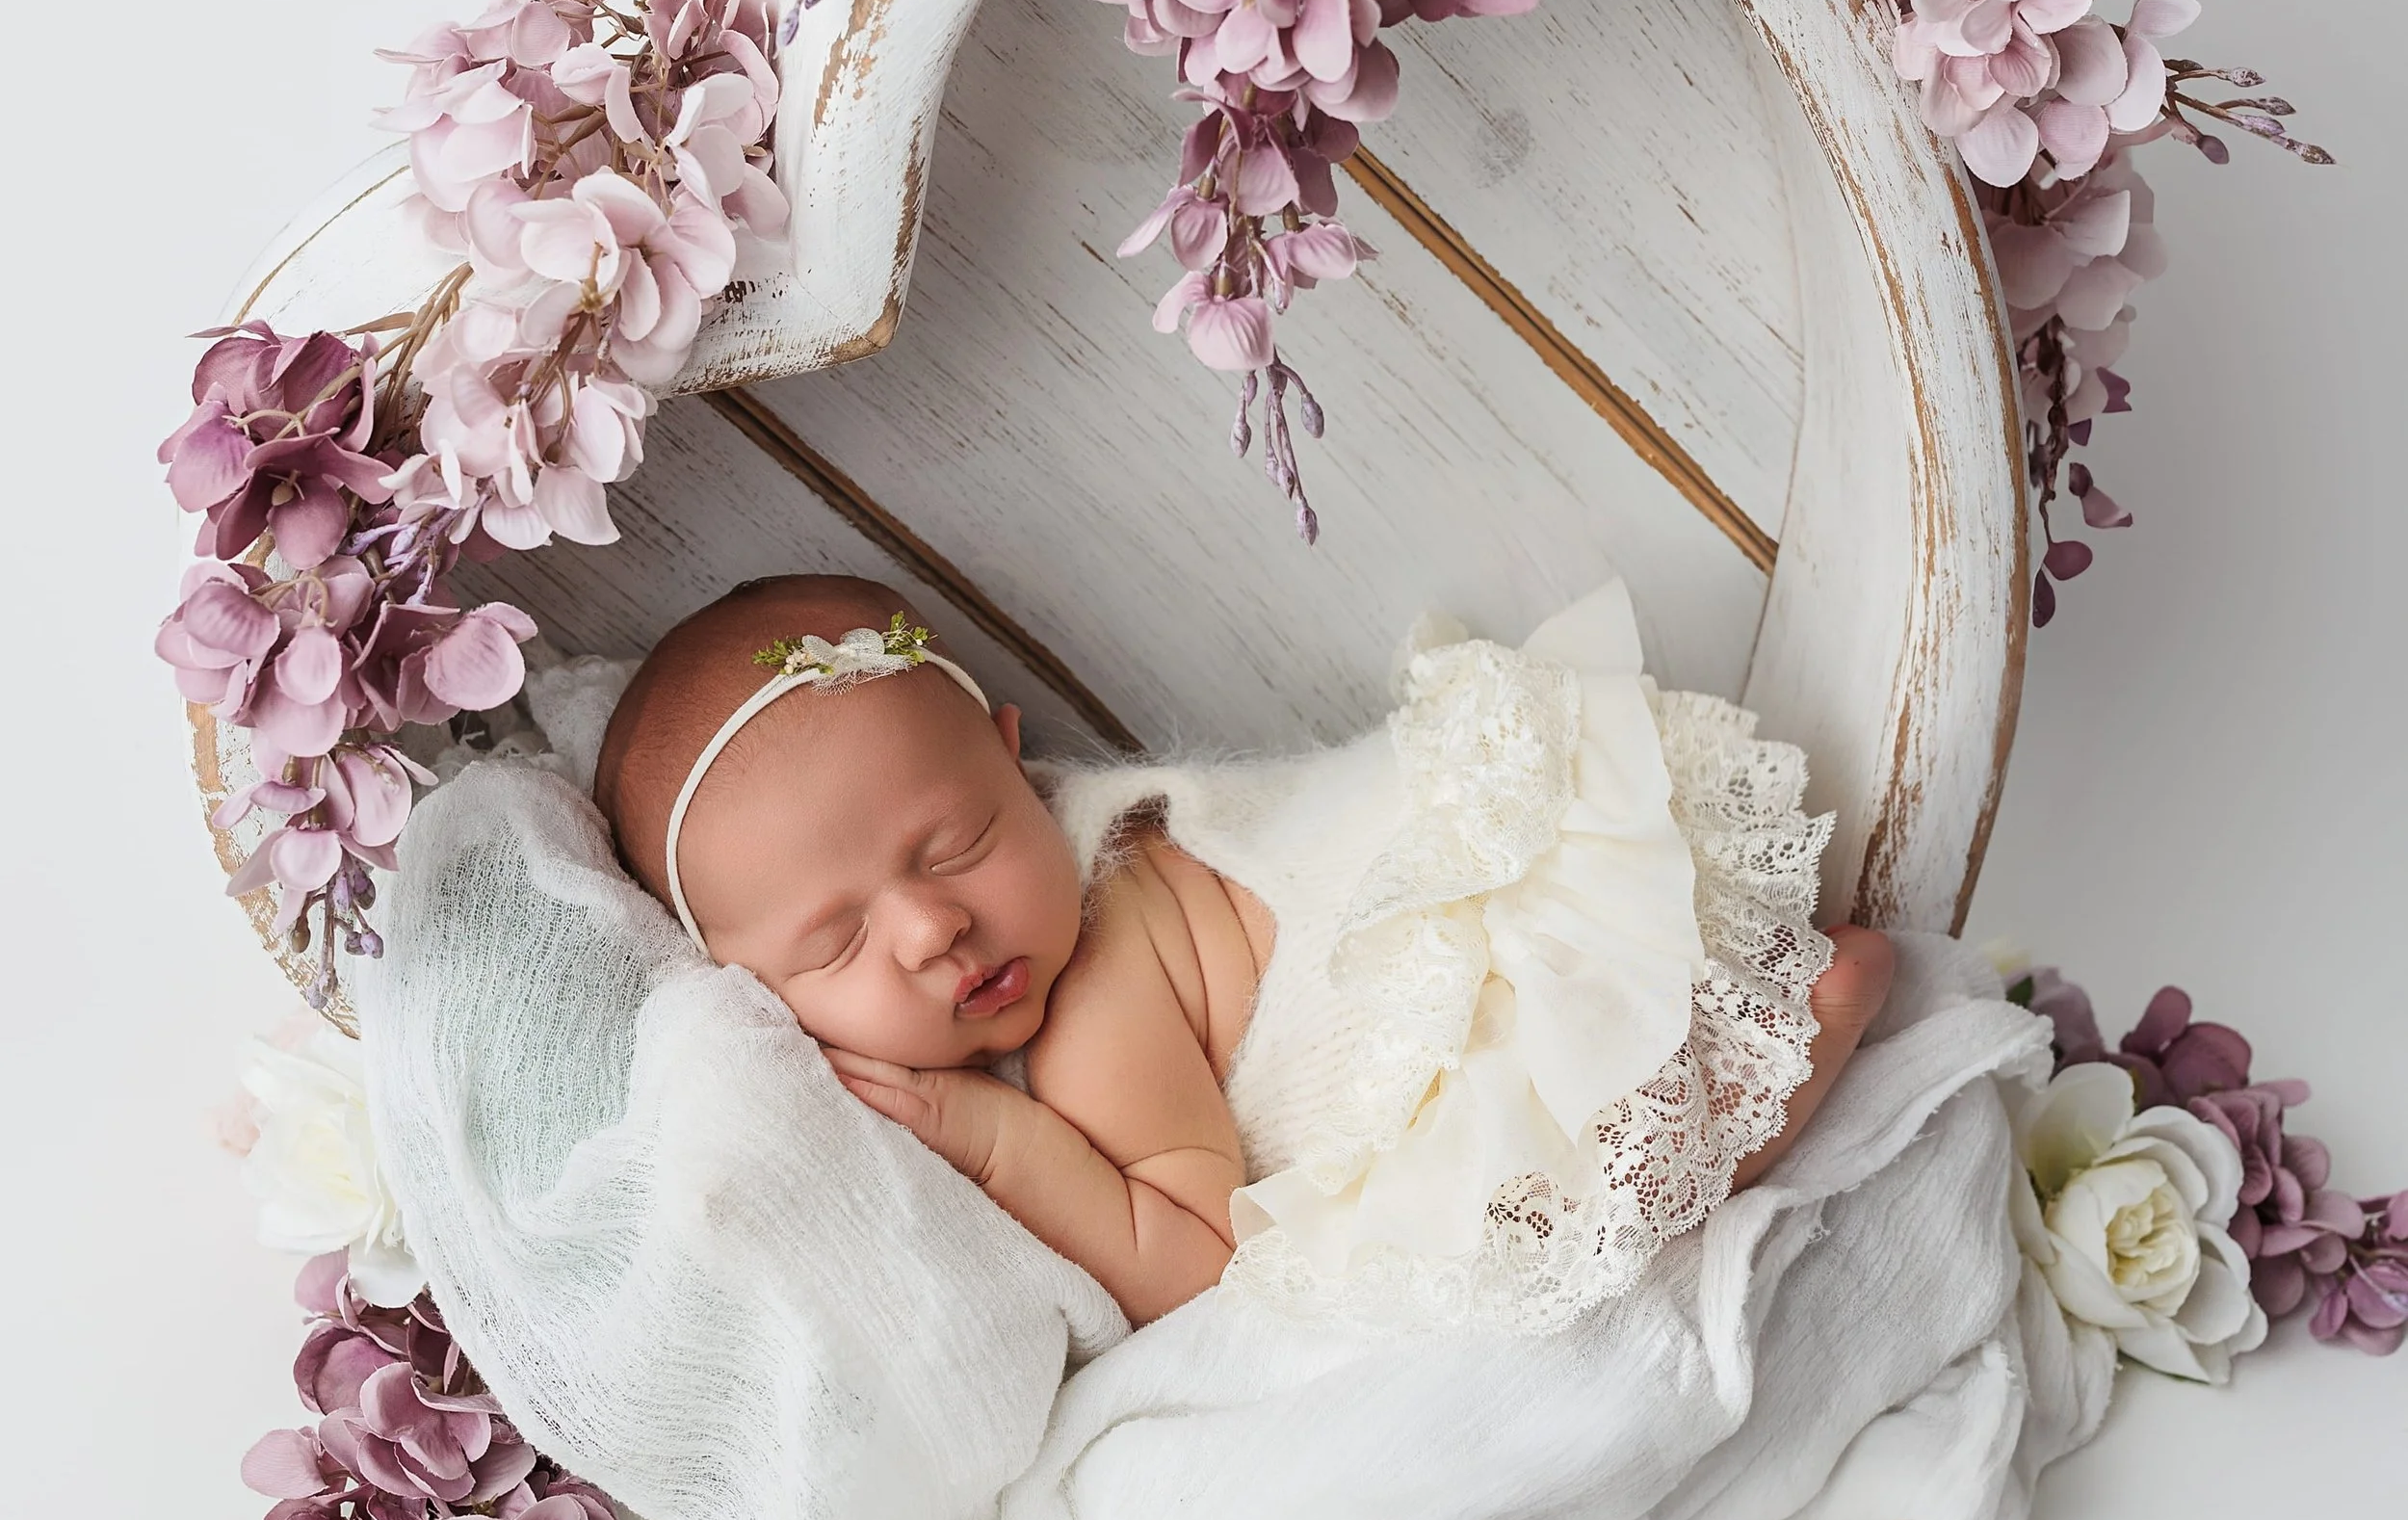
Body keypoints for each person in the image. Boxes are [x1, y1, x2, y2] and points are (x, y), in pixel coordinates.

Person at [596, 572, 1893, 1331]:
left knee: (1574, 1182)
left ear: (1015, 754)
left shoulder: (1095, 1004)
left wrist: (998, 1140)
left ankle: (1791, 1040)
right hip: (1497, 835)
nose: (935, 927)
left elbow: (1203, 1265)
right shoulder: (1093, 859)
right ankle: (1770, 1005)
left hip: (1467, 967)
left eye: (958, 843)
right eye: (837, 942)